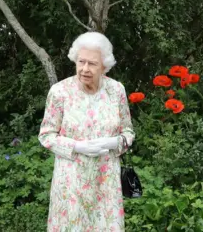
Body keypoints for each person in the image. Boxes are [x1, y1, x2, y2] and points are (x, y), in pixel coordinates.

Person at [38, 32, 135, 231]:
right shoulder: (59, 92)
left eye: (92, 64)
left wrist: (112, 143)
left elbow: (128, 133)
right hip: (70, 183)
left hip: (106, 182)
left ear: (104, 66)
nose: (84, 69)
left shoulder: (116, 90)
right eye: (81, 61)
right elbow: (46, 135)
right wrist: (77, 146)